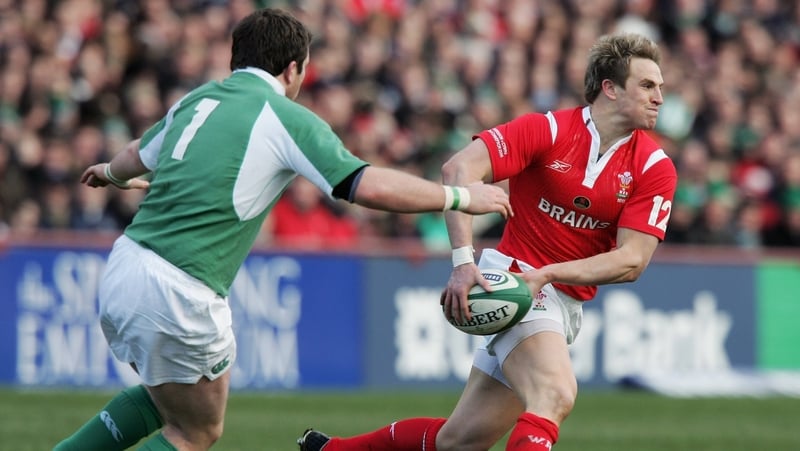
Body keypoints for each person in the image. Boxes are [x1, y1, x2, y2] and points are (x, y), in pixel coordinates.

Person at [53, 8, 512, 451]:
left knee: (166, 400)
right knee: (196, 430)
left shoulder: (196, 100)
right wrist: (461, 197)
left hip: (125, 263)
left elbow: (137, 152)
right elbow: (364, 185)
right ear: (293, 69)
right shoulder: (282, 116)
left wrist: (110, 173)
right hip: (180, 286)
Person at [298, 32, 677, 451]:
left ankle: (332, 450)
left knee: (460, 440)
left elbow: (632, 261)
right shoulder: (547, 129)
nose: (659, 96)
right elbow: (459, 170)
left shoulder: (654, 167)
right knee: (554, 393)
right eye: (647, 85)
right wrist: (463, 261)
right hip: (512, 281)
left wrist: (548, 274)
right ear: (609, 88)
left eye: (660, 87)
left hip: (553, 294)